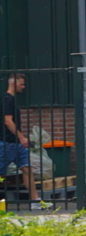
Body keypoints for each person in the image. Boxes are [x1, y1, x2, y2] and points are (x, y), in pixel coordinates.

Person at [2, 73, 51, 210]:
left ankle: (36, 201)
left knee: (27, 169)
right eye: (21, 84)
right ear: (13, 84)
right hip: (7, 143)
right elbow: (8, 121)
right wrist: (22, 137)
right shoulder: (7, 100)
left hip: (16, 144)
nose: (23, 87)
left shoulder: (11, 99)